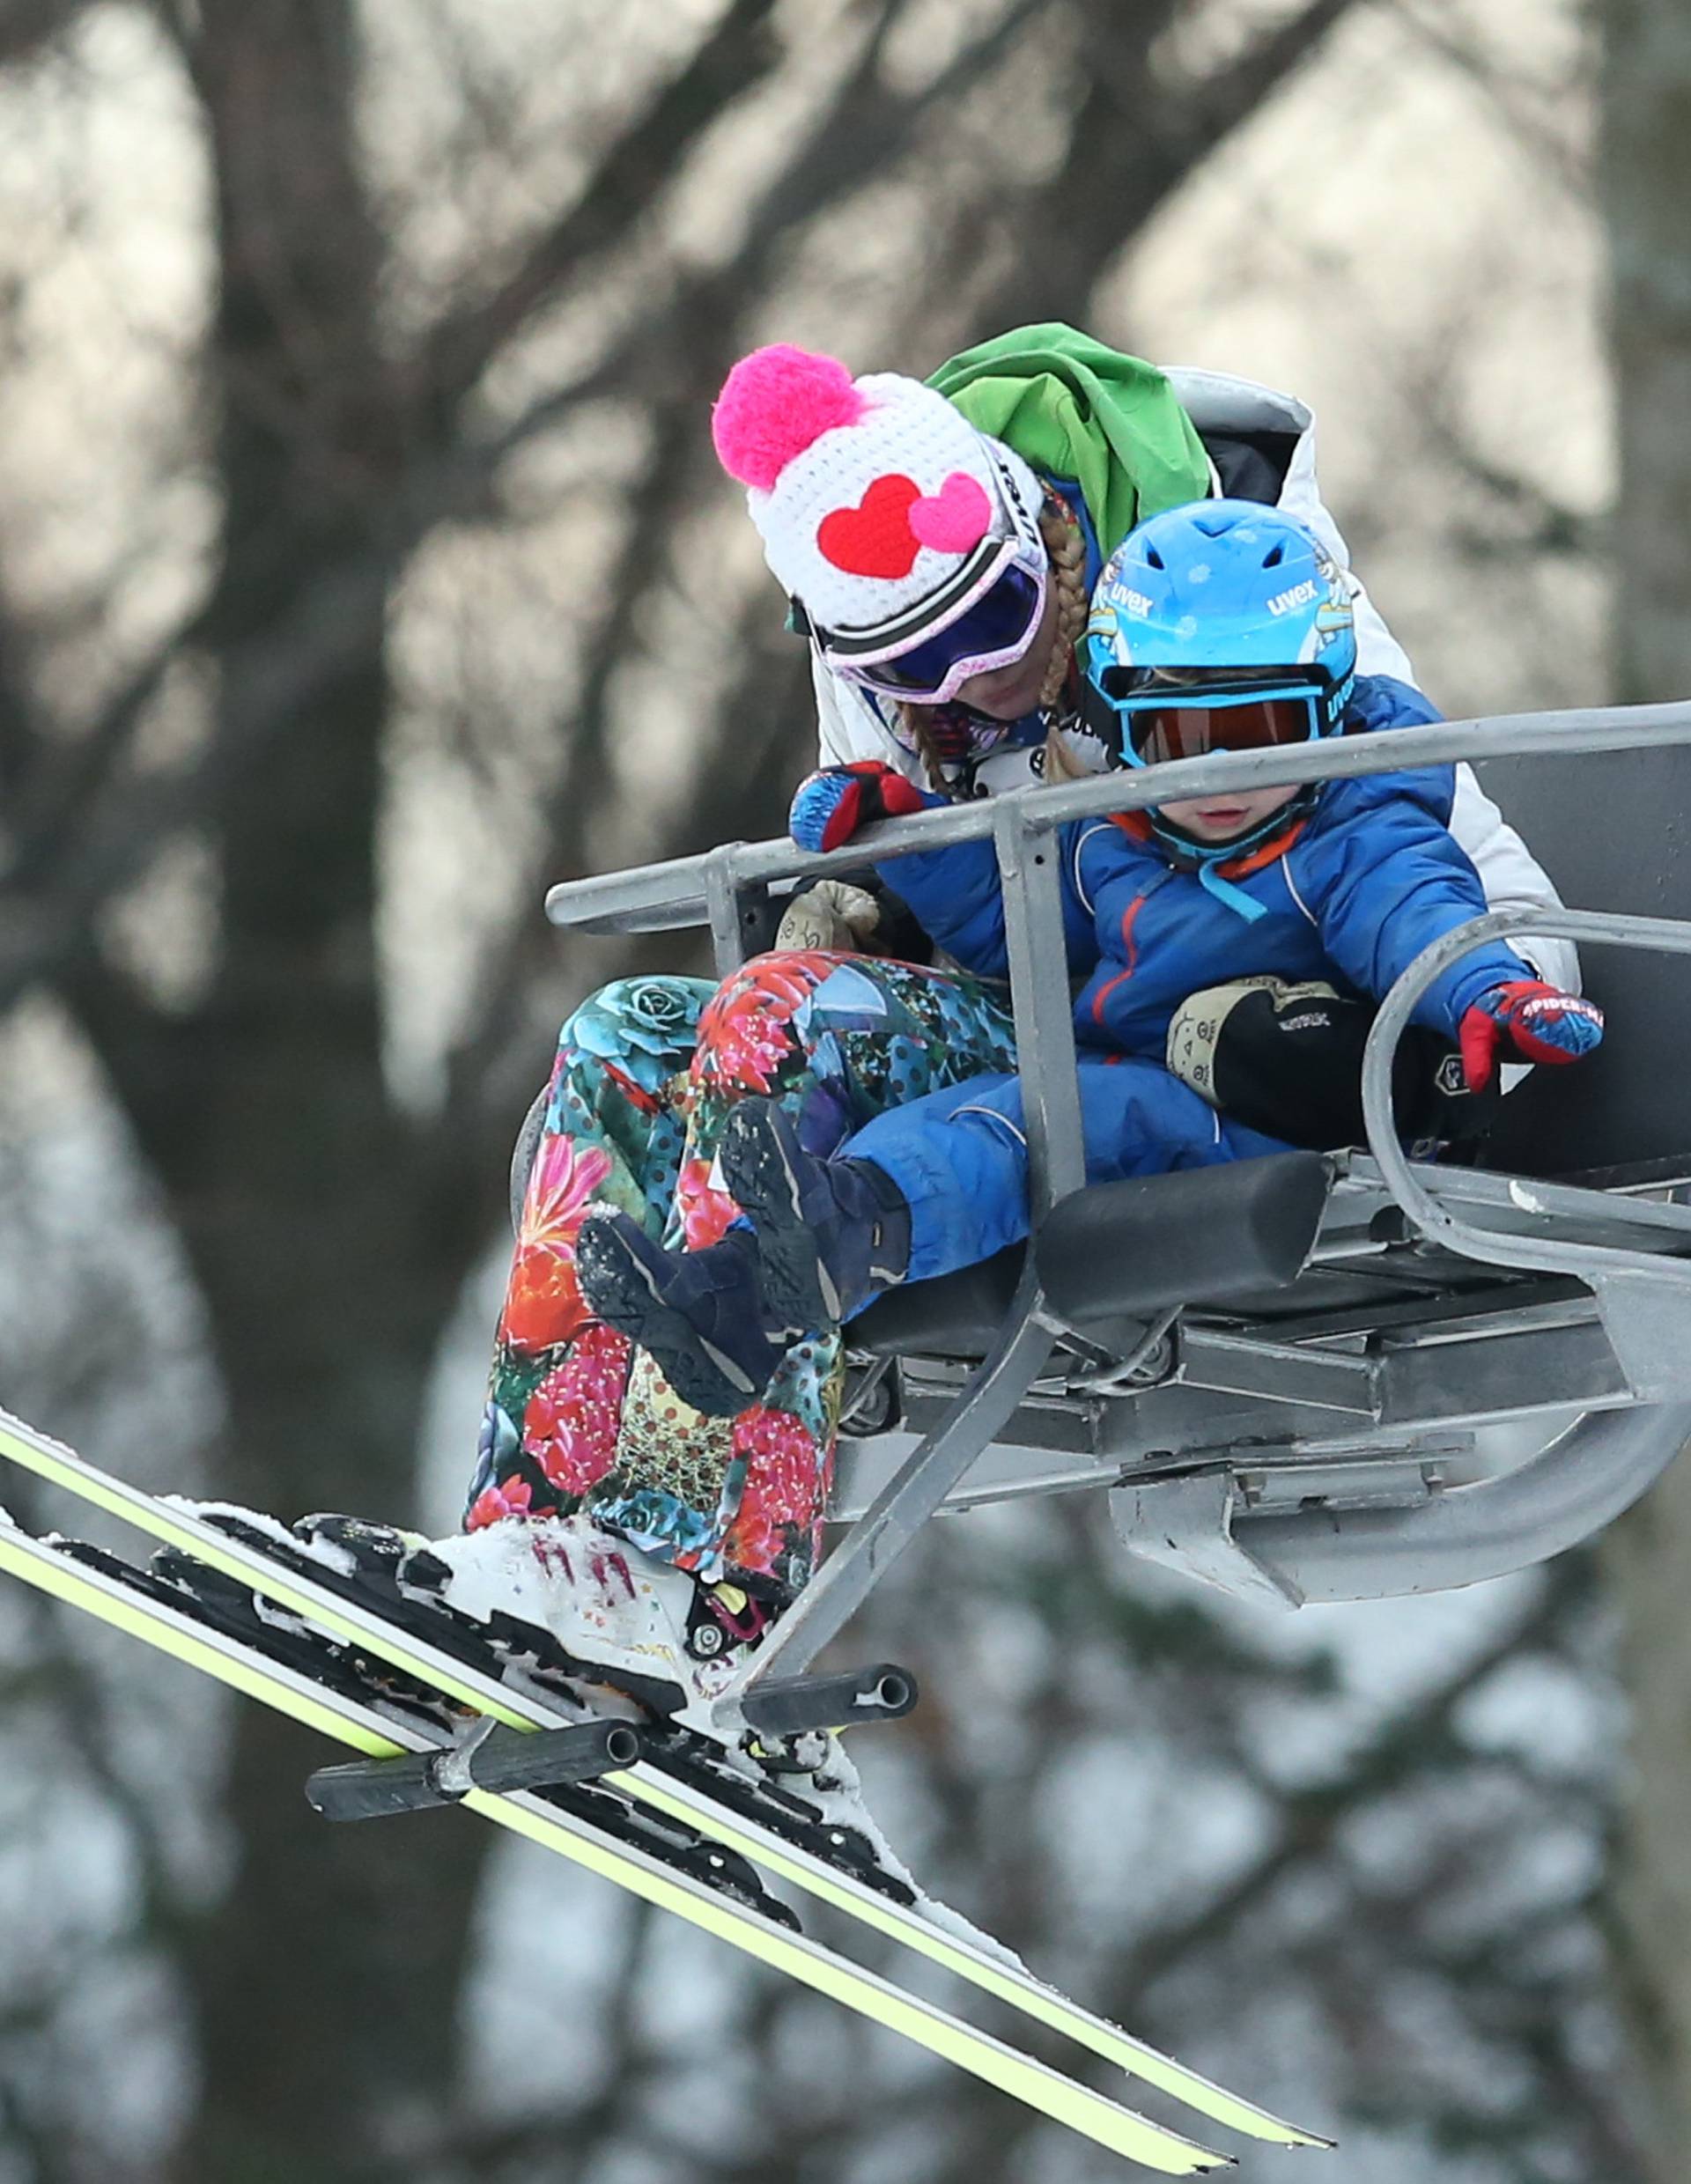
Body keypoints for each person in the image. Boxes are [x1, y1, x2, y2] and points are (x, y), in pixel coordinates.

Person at [577, 500, 1603, 1419]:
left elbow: (1415, 909)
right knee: (986, 1112)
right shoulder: (1116, 836)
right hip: (1123, 1075)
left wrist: (1489, 990)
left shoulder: (1345, 830)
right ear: (1128, 727)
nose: (1220, 770)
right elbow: (1010, 919)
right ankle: (739, 1296)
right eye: (1178, 732)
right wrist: (910, 829)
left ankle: (858, 1231)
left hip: (1259, 1106)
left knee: (1048, 1122)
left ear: (1327, 712)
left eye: (1260, 727)